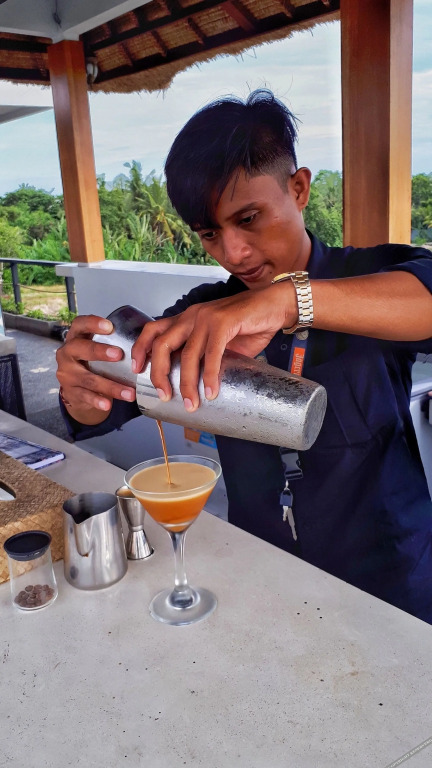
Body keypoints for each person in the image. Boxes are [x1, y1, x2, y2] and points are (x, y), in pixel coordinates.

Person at [56, 90, 432, 623]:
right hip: (263, 577)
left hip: (392, 584)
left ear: (298, 189)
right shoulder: (204, 312)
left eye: (249, 218)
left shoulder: (370, 277)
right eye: (210, 234)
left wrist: (285, 301)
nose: (233, 253)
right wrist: (83, 387)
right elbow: (111, 401)